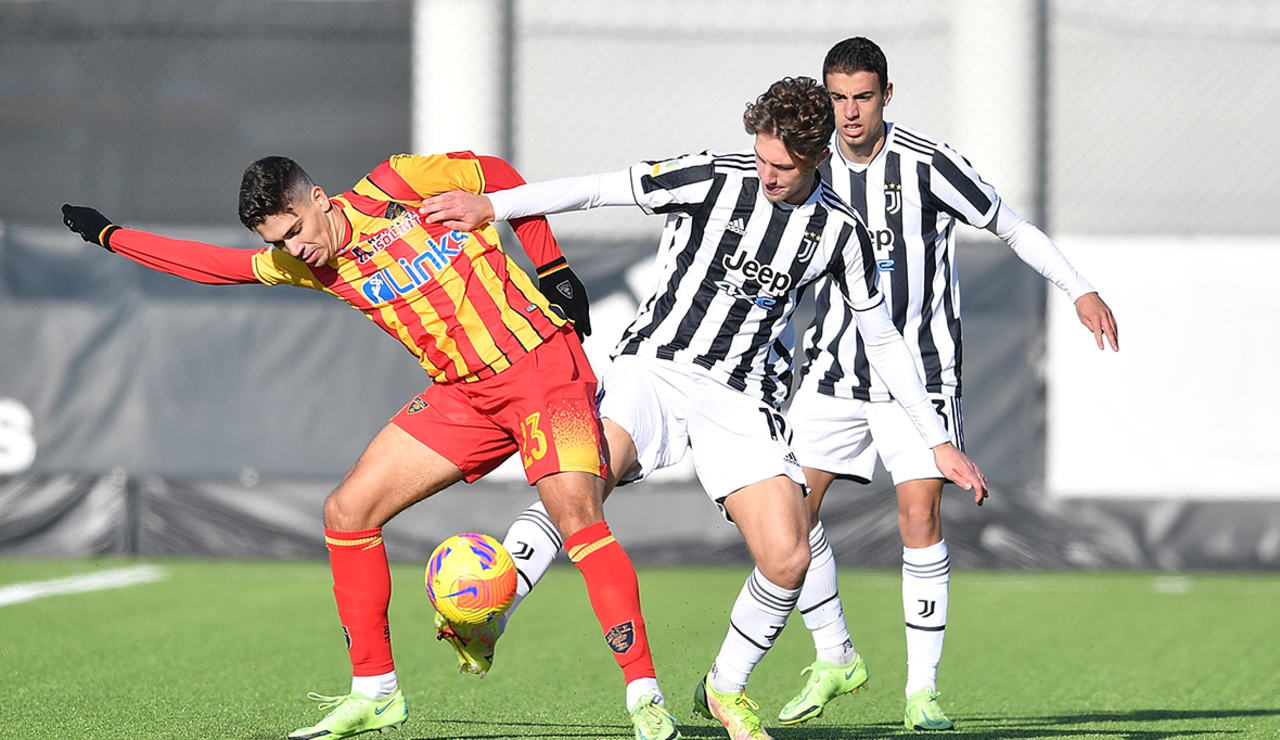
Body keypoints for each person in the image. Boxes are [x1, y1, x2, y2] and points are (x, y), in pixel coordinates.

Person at [420, 77, 987, 740]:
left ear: (815, 158)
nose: (767, 174)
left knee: (788, 557)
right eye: (762, 157)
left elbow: (883, 338)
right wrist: (492, 205)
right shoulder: (709, 176)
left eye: (783, 166)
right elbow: (599, 186)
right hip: (653, 370)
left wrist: (936, 438)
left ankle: (726, 685)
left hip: (743, 398)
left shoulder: (841, 231)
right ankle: (494, 612)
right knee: (580, 484)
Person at [59, 150, 684, 740]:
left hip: (547, 373)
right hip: (464, 399)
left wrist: (551, 266)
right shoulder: (307, 265)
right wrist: (111, 235)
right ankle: (376, 691)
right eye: (277, 242)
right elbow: (215, 267)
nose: (293, 248)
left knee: (577, 519)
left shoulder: (399, 183)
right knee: (346, 513)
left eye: (296, 228)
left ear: (320, 199)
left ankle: (644, 697)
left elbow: (493, 170)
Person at [773, 37, 1120, 732]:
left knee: (919, 518)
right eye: (838, 97)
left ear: (887, 96)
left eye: (862, 96)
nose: (849, 112)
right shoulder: (809, 169)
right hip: (834, 371)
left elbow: (1012, 227)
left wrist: (1078, 289)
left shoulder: (929, 165)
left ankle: (922, 692)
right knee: (787, 516)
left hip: (921, 376)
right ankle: (835, 654)